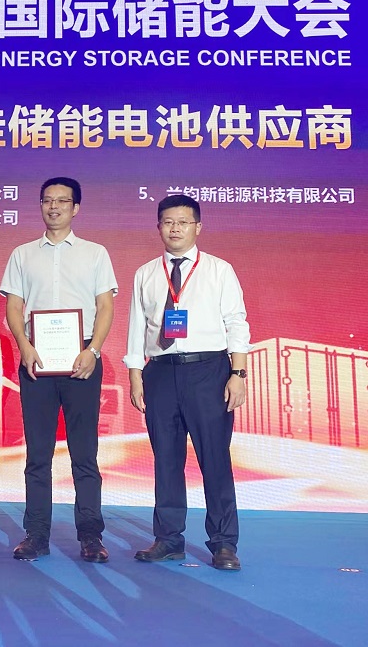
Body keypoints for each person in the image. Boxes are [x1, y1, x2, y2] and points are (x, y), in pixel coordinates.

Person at [124, 194, 250, 571]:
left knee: (214, 458)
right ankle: (168, 539)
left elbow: (236, 322)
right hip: (160, 372)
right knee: (166, 458)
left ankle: (224, 543)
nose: (175, 228)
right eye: (168, 222)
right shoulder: (146, 273)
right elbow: (136, 328)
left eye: (183, 222)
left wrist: (238, 373)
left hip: (208, 371)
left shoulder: (219, 270)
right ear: (158, 227)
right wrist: (135, 374)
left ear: (198, 227)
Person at [0, 177, 117, 563]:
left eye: (62, 201)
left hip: (81, 358)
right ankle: (36, 534)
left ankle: (90, 536)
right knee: (38, 453)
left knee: (84, 453)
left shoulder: (95, 253)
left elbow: (105, 306)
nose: (54, 207)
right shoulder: (22, 254)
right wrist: (24, 345)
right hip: (36, 359)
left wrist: (93, 350)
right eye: (47, 200)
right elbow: (14, 306)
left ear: (75, 208)